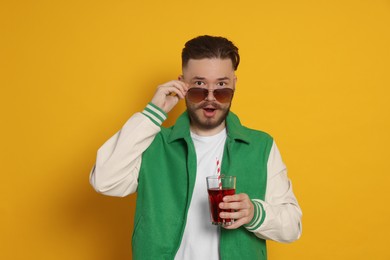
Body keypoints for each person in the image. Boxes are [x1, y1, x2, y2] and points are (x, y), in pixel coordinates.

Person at [90, 35, 302, 260]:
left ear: (234, 84)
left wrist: (254, 213)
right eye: (199, 86)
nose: (210, 98)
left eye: (221, 87)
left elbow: (292, 226)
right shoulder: (153, 143)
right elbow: (104, 181)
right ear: (182, 84)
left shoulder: (260, 146)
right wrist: (152, 114)